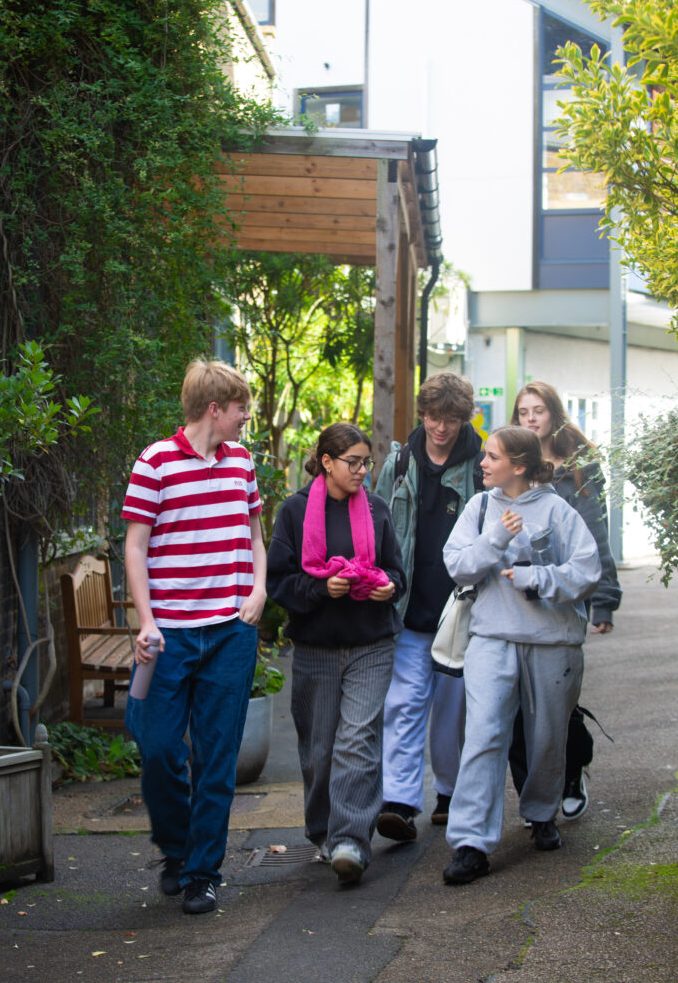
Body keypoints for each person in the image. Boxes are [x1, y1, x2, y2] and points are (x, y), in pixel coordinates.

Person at [122, 359, 266, 915]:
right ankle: (176, 849)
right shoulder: (155, 463)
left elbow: (255, 533)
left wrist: (257, 590)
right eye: (241, 409)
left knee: (216, 758)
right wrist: (146, 621)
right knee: (157, 748)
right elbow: (135, 547)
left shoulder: (242, 463)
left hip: (231, 633)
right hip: (168, 639)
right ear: (215, 409)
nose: (245, 417)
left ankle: (203, 871)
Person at [442, 426, 601, 885]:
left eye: (492, 457)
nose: (482, 463)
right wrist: (494, 537)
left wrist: (538, 579)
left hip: (552, 642)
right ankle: (471, 843)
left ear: (520, 466)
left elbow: (586, 569)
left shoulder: (557, 509)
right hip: (491, 637)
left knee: (547, 737)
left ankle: (540, 813)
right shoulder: (479, 508)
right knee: (483, 735)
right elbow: (456, 566)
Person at [266, 423, 405, 884]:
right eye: (354, 462)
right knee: (320, 749)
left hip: (371, 643)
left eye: (367, 462)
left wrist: (386, 588)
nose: (362, 471)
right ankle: (324, 832)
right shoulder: (294, 512)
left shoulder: (379, 511)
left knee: (356, 741)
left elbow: (397, 574)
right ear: (327, 461)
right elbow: (280, 583)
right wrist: (322, 588)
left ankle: (351, 839)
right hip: (315, 647)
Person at [374, 373, 483, 841]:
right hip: (409, 609)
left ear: (464, 418)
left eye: (452, 419)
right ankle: (399, 802)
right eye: (435, 417)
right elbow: (376, 526)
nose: (441, 428)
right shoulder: (399, 463)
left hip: (462, 612)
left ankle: (451, 792)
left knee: (453, 711)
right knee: (403, 704)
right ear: (422, 414)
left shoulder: (481, 465)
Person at [509, 381, 622, 819]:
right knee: (518, 703)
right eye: (523, 412)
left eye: (538, 410)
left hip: (569, 595)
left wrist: (606, 600)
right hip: (521, 594)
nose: (531, 419)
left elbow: (596, 533)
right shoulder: (511, 461)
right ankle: (534, 796)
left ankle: (573, 770)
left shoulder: (579, 465)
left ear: (554, 415)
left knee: (562, 701)